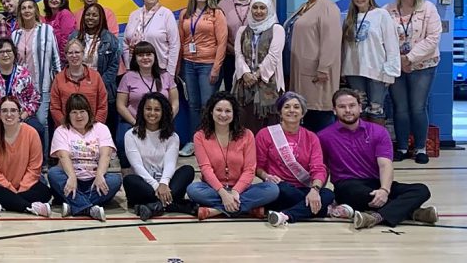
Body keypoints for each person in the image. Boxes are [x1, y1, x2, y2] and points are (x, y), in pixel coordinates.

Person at [319, 88, 437, 229]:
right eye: (342, 107)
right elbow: (322, 168)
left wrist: (384, 190)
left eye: (352, 105)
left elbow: (385, 165)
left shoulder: (378, 131)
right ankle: (414, 212)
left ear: (360, 107)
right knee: (358, 192)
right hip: (348, 186)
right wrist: (317, 191)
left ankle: (376, 217)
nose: (348, 110)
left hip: (376, 183)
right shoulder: (323, 136)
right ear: (334, 110)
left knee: (421, 190)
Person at [186, 91, 279, 220]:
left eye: (228, 111)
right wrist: (223, 193)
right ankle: (249, 209)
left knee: (272, 189)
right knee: (193, 189)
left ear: (234, 114)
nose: (223, 115)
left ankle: (217, 210)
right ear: (211, 112)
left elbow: (249, 170)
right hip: (214, 189)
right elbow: (205, 169)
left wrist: (235, 192)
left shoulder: (247, 135)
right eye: (219, 110)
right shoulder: (200, 136)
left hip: (241, 190)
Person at [256, 92, 336, 227]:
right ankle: (320, 210)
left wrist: (315, 190)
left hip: (304, 187)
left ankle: (286, 215)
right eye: (287, 107)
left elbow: (318, 168)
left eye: (296, 107)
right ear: (280, 112)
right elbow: (257, 166)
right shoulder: (265, 134)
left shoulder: (311, 137)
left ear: (303, 113)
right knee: (285, 190)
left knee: (327, 193)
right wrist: (266, 176)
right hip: (279, 186)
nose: (292, 110)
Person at [385, 0, 441, 163]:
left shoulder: (428, 9)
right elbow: (381, 37)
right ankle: (401, 147)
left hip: (423, 65)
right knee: (399, 107)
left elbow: (433, 38)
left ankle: (420, 148)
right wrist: (398, 61)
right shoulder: (389, 10)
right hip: (396, 66)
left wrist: (409, 58)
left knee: (417, 107)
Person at [48, 93, 122, 221]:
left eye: (82, 111)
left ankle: (75, 205)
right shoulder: (61, 130)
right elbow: (63, 156)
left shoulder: (101, 128)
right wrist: (72, 177)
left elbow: (106, 154)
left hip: (94, 181)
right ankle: (88, 208)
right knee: (53, 173)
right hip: (71, 180)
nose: (79, 116)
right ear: (68, 115)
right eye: (74, 112)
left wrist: (99, 175)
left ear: (89, 113)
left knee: (115, 180)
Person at [284, 0, 342, 132]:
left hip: (317, 72)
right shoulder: (305, 6)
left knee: (319, 110)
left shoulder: (328, 7)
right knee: (306, 110)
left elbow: (332, 41)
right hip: (301, 69)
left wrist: (324, 67)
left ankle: (323, 151)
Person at [122, 93, 195, 220]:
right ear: (142, 110)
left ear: (163, 112)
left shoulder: (172, 136)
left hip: (167, 185)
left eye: (157, 110)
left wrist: (164, 183)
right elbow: (137, 166)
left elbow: (170, 164)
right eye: (148, 109)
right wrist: (157, 186)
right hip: (145, 185)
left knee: (188, 170)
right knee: (129, 180)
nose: (152, 113)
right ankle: (172, 205)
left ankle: (153, 206)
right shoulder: (131, 135)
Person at [0, 96, 52, 217]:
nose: (9, 114)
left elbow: (34, 168)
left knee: (45, 192)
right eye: (4, 111)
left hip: (24, 186)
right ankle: (29, 207)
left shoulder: (31, 133)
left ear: (20, 113)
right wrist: (9, 188)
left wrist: (22, 188)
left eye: (13, 110)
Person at [177, 0, 227, 157]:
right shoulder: (185, 14)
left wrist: (216, 68)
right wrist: (177, 68)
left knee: (207, 104)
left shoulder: (216, 13)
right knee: (193, 105)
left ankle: (209, 141)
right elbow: (180, 41)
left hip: (208, 64)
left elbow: (222, 43)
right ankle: (193, 141)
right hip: (189, 64)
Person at [342, 0, 400, 125]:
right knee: (358, 108)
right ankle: (361, 143)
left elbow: (391, 43)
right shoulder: (349, 18)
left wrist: (390, 70)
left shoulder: (381, 14)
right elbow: (344, 47)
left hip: (376, 69)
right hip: (354, 70)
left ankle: (376, 143)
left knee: (376, 108)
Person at [115, 41, 178, 170]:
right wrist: (136, 123)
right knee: (122, 139)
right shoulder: (128, 77)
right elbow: (120, 105)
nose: (145, 58)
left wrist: (166, 120)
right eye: (140, 55)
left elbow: (175, 102)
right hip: (133, 122)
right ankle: (129, 175)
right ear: (135, 58)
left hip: (160, 122)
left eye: (148, 54)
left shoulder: (165, 76)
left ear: (155, 57)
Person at [11, 0, 61, 150]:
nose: (27, 10)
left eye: (30, 7)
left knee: (41, 122)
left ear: (35, 11)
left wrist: (58, 82)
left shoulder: (46, 30)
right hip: (20, 89)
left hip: (42, 85)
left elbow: (55, 58)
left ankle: (43, 160)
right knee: (22, 122)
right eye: (23, 8)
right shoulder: (15, 35)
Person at [233, 0, 285, 135]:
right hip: (245, 84)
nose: (258, 11)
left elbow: (273, 56)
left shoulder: (277, 29)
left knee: (268, 127)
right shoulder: (242, 31)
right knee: (247, 123)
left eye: (262, 8)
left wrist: (256, 75)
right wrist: (245, 73)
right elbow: (238, 54)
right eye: (255, 7)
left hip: (269, 84)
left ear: (269, 10)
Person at [0, 38, 44, 140]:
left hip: (21, 117)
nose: (5, 55)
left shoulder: (23, 73)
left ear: (14, 53)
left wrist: (21, 117)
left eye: (8, 51)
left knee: (39, 130)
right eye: (1, 52)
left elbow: (35, 99)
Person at [69, 3, 120, 126]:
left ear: (101, 17)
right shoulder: (75, 36)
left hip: (103, 89)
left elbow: (113, 67)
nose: (90, 18)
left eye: (94, 15)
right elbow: (69, 61)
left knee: (101, 126)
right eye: (88, 15)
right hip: (78, 87)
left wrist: (98, 84)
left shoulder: (110, 39)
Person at [121, 0, 179, 82]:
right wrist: (128, 65)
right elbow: (125, 42)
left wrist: (170, 72)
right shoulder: (134, 15)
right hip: (135, 67)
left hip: (160, 68)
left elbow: (174, 45)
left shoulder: (166, 14)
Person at [51, 39, 108, 126]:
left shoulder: (95, 76)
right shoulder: (59, 79)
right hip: (67, 128)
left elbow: (102, 105)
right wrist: (66, 126)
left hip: (92, 127)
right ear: (65, 56)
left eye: (77, 52)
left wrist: (94, 127)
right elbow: (55, 107)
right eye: (70, 53)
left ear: (83, 54)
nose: (74, 55)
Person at [219, 0, 256, 95]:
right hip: (231, 59)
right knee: (233, 95)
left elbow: (271, 31)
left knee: (256, 98)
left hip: (257, 59)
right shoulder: (222, 5)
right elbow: (219, 35)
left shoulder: (263, 2)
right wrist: (235, 52)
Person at [42, 0, 75, 65]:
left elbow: (66, 39)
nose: (54, 0)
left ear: (62, 1)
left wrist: (62, 60)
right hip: (49, 59)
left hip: (62, 61)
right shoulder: (47, 18)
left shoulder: (65, 14)